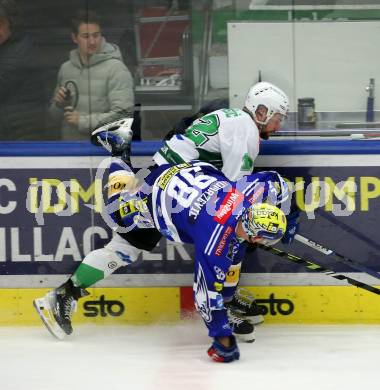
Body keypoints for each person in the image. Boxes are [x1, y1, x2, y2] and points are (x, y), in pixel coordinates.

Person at [34, 81, 299, 342]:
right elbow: (231, 200)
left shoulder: (231, 117)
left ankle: (64, 294)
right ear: (261, 112)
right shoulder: (247, 132)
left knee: (125, 246)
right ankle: (225, 302)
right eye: (277, 117)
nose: (279, 125)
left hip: (167, 177)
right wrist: (255, 228)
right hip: (174, 186)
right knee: (232, 233)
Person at [36, 159, 288, 363]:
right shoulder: (216, 239)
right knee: (122, 241)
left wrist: (286, 216)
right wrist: (222, 338)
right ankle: (118, 156)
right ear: (257, 232)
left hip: (182, 175)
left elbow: (275, 182)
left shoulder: (247, 194)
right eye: (264, 240)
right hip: (150, 201)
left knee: (236, 244)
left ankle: (230, 300)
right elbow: (205, 295)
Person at [48, 10, 134, 140]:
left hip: (102, 148)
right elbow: (53, 118)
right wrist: (59, 104)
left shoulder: (116, 69)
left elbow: (123, 114)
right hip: (70, 148)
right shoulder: (66, 69)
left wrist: (83, 121)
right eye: (86, 36)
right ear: (74, 38)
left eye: (96, 35)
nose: (92, 42)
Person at [0, 0, 46, 140]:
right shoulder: (7, 46)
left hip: (21, 136)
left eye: (0, 23)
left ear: (11, 24)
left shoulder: (18, 52)